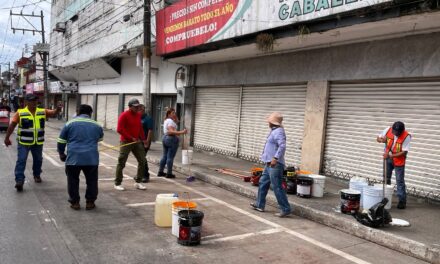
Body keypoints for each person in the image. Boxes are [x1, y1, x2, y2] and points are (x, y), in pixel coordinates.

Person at [4, 93, 60, 191]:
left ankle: (37, 175)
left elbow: (53, 113)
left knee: (38, 160)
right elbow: (12, 125)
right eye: (31, 101)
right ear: (26, 102)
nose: (34, 102)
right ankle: (19, 181)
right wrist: (7, 138)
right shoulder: (20, 112)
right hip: (24, 142)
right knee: (21, 160)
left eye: (35, 100)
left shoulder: (42, 111)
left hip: (37, 142)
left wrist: (58, 110)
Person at [57, 105, 104, 210]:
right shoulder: (97, 125)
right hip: (91, 159)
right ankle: (90, 202)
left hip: (73, 158)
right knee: (92, 181)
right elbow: (100, 138)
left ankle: (75, 202)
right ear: (90, 113)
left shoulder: (69, 123)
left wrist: (61, 153)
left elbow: (61, 141)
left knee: (73, 180)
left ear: (77, 112)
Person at [250, 112, 292, 217]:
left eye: (269, 121)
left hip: (275, 164)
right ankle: (259, 205)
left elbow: (282, 146)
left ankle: (285, 209)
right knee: (263, 182)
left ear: (272, 123)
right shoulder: (274, 131)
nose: (268, 123)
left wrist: (275, 158)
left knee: (277, 187)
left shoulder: (279, 131)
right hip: (269, 164)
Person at [114, 98, 148, 191]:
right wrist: (130, 137)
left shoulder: (138, 115)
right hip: (126, 141)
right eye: (135, 107)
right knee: (121, 162)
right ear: (130, 107)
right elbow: (119, 129)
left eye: (138, 106)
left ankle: (138, 181)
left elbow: (140, 128)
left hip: (136, 142)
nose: (137, 108)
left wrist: (144, 139)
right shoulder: (124, 115)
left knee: (142, 160)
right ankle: (117, 183)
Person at [377, 121, 411, 209]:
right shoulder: (388, 129)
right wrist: (382, 140)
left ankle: (402, 201)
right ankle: (386, 198)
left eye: (397, 133)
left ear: (402, 131)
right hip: (388, 158)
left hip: (399, 160)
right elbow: (378, 138)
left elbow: (404, 152)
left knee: (399, 181)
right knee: (386, 178)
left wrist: (391, 155)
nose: (395, 134)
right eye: (394, 132)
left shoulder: (406, 136)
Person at [157, 108, 187, 178]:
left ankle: (160, 171)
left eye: (175, 113)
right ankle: (169, 173)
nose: (174, 114)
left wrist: (175, 117)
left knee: (165, 156)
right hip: (171, 139)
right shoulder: (170, 121)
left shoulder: (167, 120)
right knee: (170, 157)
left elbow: (177, 121)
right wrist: (182, 132)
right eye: (173, 113)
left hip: (165, 138)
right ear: (169, 114)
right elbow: (170, 131)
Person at [139, 104, 154, 183]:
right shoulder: (138, 118)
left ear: (142, 110)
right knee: (140, 158)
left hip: (145, 141)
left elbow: (150, 131)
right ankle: (140, 174)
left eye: (139, 110)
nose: (137, 111)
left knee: (142, 158)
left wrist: (147, 142)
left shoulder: (148, 119)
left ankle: (145, 175)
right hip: (138, 141)